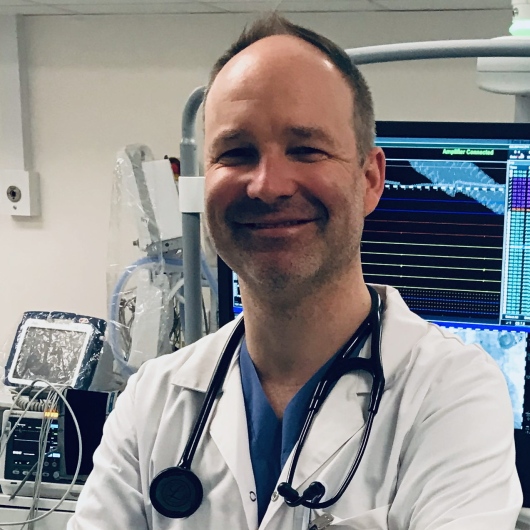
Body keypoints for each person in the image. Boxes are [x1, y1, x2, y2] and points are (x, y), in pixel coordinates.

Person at [68, 13, 522, 530]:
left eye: (306, 149)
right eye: (236, 153)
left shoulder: (450, 393)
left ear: (370, 179)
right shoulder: (153, 399)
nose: (268, 185)